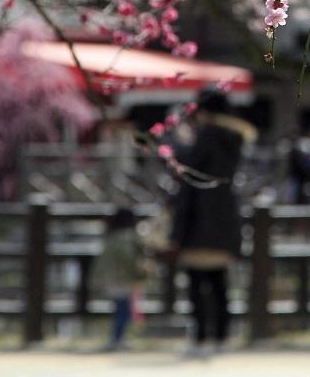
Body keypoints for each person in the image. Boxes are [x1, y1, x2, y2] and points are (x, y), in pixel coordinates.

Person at [169, 88, 254, 357]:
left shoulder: (207, 136)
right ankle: (221, 335)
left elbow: (187, 166)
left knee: (196, 283)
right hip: (224, 217)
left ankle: (201, 336)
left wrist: (179, 142)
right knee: (219, 283)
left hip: (199, 219)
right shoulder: (234, 139)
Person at [90, 208, 148, 350]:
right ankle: (117, 338)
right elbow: (129, 260)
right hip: (122, 280)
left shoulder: (111, 237)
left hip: (112, 279)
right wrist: (139, 272)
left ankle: (118, 338)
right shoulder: (126, 239)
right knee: (123, 311)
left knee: (121, 310)